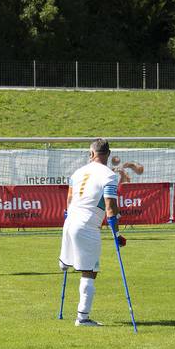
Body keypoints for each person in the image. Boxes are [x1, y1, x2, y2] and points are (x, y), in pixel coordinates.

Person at [58, 138, 121, 327]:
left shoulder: (77, 173)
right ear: (108, 154)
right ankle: (82, 318)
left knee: (71, 264)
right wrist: (117, 235)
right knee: (91, 271)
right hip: (87, 225)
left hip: (69, 222)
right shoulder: (109, 175)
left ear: (91, 154)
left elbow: (69, 199)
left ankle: (64, 259)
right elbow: (110, 208)